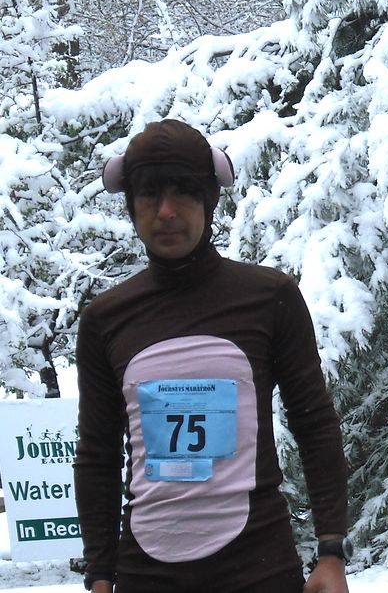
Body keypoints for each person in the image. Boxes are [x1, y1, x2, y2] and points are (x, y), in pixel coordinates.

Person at [73, 119, 352, 593]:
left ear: (208, 199)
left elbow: (315, 423)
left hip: (259, 568)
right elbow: (98, 453)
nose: (166, 211)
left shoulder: (269, 297)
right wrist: (99, 573)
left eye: (183, 192)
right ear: (131, 205)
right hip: (146, 574)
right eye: (149, 194)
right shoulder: (105, 318)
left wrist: (331, 552)